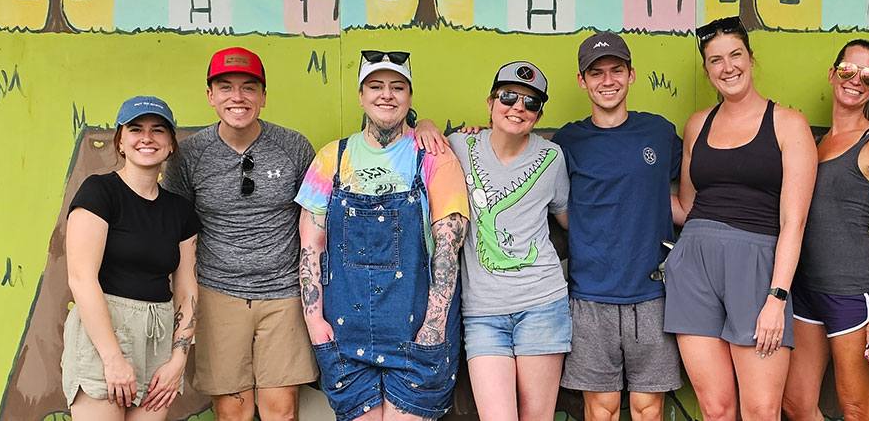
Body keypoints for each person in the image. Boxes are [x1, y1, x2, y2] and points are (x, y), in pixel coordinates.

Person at [294, 50, 471, 421]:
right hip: (345, 332)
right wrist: (314, 322)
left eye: (397, 87)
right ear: (361, 95)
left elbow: (447, 246)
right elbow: (311, 246)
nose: (386, 94)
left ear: (409, 97)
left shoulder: (435, 155)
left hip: (417, 330)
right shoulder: (331, 157)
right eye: (376, 86)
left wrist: (434, 326)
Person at [666, 16, 818, 421]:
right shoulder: (697, 124)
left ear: (752, 59)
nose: (727, 67)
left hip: (757, 268)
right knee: (715, 409)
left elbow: (794, 223)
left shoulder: (789, 123)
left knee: (761, 410)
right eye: (716, 60)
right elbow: (685, 206)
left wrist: (777, 296)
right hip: (693, 266)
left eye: (735, 55)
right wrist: (624, 192)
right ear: (706, 69)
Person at [160, 47, 318, 421]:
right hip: (218, 294)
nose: (238, 97)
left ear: (263, 97)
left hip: (283, 293)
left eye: (249, 87)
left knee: (281, 411)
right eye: (226, 86)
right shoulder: (190, 155)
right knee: (233, 412)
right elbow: (179, 231)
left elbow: (315, 222)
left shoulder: (294, 147)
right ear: (210, 95)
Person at [552, 32, 686, 421]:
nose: (607, 80)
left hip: (652, 293)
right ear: (582, 80)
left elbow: (704, 176)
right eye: (596, 73)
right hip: (591, 295)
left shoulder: (658, 132)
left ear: (631, 75)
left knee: (648, 410)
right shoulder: (567, 141)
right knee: (602, 410)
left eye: (616, 71)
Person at [782, 39, 869, 421]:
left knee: (857, 410)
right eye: (849, 70)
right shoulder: (814, 144)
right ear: (833, 74)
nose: (857, 80)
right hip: (805, 292)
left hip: (851, 296)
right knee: (796, 404)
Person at [63, 96, 200, 420]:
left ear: (170, 145)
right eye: (135, 129)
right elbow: (81, 278)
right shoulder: (99, 192)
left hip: (158, 336)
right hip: (104, 332)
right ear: (121, 142)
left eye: (158, 130)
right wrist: (112, 358)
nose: (147, 138)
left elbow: (187, 290)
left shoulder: (179, 211)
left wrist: (177, 361)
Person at [450, 61, 572, 421]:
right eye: (508, 97)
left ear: (538, 114)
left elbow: (567, 218)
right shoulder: (457, 145)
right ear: (490, 102)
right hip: (482, 311)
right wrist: (425, 124)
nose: (518, 107)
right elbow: (419, 137)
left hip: (542, 304)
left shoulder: (552, 158)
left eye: (530, 103)